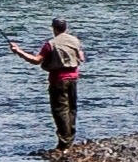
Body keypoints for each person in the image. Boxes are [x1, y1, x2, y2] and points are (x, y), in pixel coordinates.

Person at [8, 18, 85, 149]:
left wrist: (18, 51)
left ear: (53, 28)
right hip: (73, 78)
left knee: (60, 110)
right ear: (65, 28)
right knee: (71, 109)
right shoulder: (75, 41)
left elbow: (36, 60)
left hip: (58, 80)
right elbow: (81, 58)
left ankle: (64, 143)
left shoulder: (50, 44)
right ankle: (70, 139)